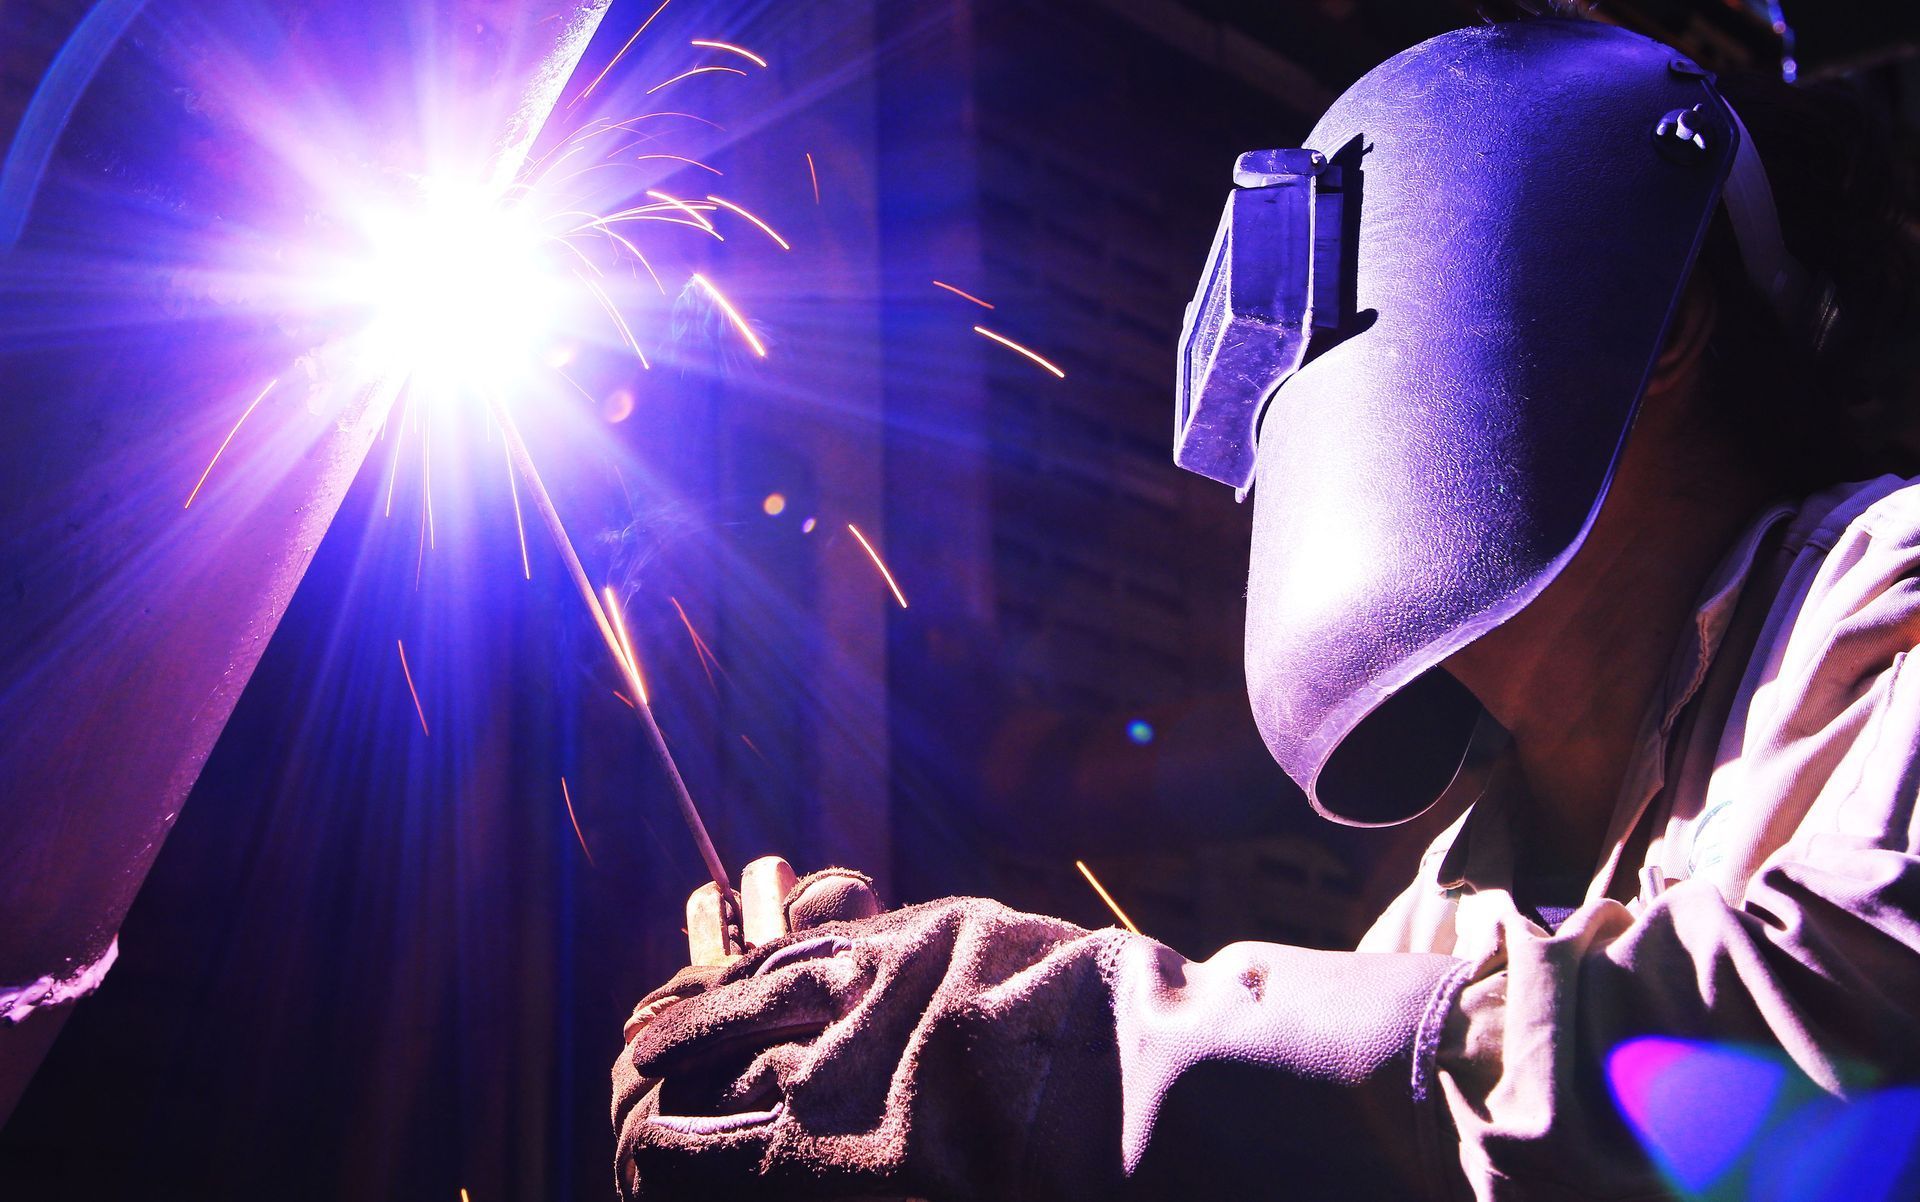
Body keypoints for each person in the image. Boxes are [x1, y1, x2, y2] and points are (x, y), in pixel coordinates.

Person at [612, 16, 1920, 1200]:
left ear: (1666, 318)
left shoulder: (1890, 590)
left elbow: (1832, 1060)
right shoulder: (1452, 900)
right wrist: (887, 1107)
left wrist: (1081, 1055)